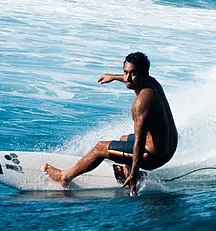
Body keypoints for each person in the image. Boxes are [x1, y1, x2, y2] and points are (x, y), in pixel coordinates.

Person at [43, 52, 177, 195]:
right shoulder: (153, 83)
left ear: (144, 73)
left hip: (152, 156)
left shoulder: (142, 102)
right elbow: (130, 79)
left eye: (133, 73)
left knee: (100, 148)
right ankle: (128, 171)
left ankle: (64, 177)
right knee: (123, 139)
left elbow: (140, 140)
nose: (127, 78)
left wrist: (134, 172)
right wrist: (113, 77)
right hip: (169, 148)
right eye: (125, 72)